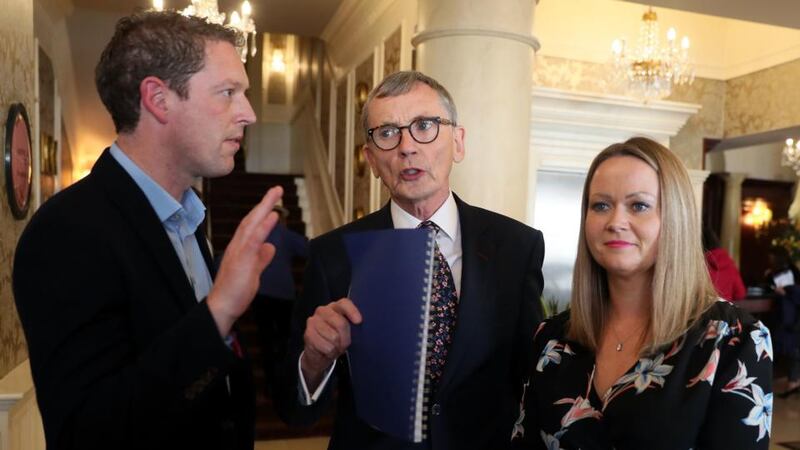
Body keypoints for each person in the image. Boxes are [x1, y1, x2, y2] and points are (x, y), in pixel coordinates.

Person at [13, 11, 283, 450]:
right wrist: (218, 312)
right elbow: (89, 433)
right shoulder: (66, 233)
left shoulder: (190, 222)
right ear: (158, 99)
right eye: (228, 92)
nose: (248, 114)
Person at [274, 70, 545, 449]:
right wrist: (314, 360)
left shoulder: (516, 246)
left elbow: (531, 378)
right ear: (370, 159)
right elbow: (295, 410)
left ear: (458, 142)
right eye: (387, 133)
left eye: (425, 126)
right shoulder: (333, 254)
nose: (406, 147)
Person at [512, 137, 773, 449]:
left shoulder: (734, 339)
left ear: (675, 219)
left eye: (639, 205)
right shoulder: (551, 338)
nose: (616, 221)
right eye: (601, 205)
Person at [253, 206, 308, 393]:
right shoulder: (285, 234)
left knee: (266, 339)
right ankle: (286, 383)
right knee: (286, 340)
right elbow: (309, 250)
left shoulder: (255, 235)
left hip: (260, 294)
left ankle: (270, 383)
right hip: (284, 296)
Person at [765, 246, 800, 398]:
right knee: (793, 349)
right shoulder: (793, 271)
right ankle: (793, 381)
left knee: (787, 348)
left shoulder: (784, 272)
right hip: (792, 317)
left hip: (787, 317)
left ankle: (792, 381)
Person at [702, 225, 746, 301]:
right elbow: (740, 294)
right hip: (724, 311)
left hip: (701, 311)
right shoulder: (729, 264)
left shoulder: (697, 265)